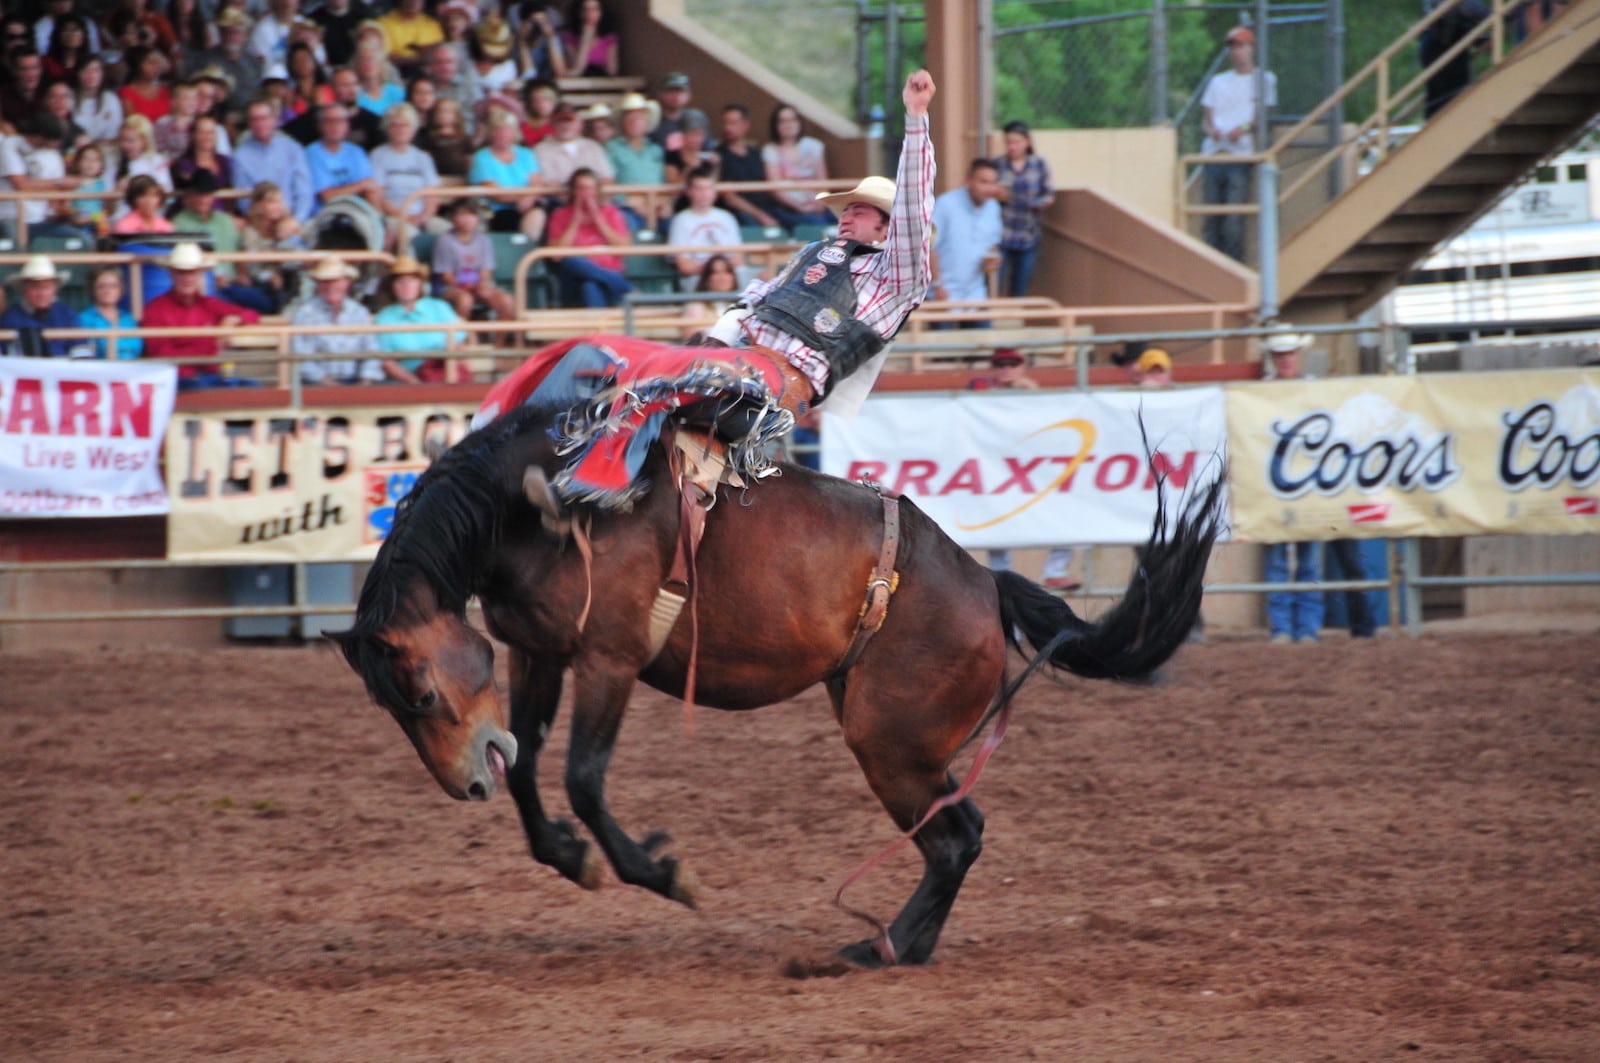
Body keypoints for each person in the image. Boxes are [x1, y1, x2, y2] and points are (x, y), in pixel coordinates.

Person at [967, 347, 1078, 590]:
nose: (1007, 369)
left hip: (1029, 466)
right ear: (993, 368)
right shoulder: (981, 388)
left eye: (1013, 364)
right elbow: (969, 405)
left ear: (1022, 367)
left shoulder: (1031, 391)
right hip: (994, 466)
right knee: (996, 520)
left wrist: (1030, 392)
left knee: (1067, 508)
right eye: (1001, 364)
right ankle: (1003, 577)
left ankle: (1056, 570)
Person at [1261, 329, 1324, 643]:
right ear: (1273, 358)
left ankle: (1303, 627)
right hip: (1278, 481)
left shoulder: (1313, 389)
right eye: (1280, 355)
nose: (1285, 360)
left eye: (1290, 354)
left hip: (1306, 482)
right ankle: (1287, 627)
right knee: (1280, 559)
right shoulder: (1260, 393)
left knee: (1306, 559)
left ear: (1298, 355)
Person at [1199, 26, 1276, 263]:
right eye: (1233, 47)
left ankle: (1233, 266)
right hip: (1214, 155)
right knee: (1211, 217)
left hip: (1240, 155)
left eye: (1242, 46)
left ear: (1251, 49)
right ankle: (1210, 266)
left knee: (1233, 218)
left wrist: (1241, 129)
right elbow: (1207, 118)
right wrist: (1213, 131)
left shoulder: (1264, 79)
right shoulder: (1218, 82)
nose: (1237, 52)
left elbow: (1264, 116)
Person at [141, 242, 262, 388]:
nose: (187, 278)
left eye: (192, 272)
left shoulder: (209, 304)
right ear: (171, 274)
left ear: (199, 275)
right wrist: (212, 344)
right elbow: (161, 354)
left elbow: (252, 315)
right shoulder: (155, 309)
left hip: (209, 376)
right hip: (177, 380)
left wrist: (233, 320)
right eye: (182, 272)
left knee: (253, 386)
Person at [546, 167, 634, 308]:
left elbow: (625, 249)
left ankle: (598, 329)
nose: (586, 194)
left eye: (590, 189)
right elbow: (556, 256)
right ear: (574, 191)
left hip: (607, 277)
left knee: (590, 286)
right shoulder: (560, 214)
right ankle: (626, 288)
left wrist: (599, 220)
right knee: (573, 260)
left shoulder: (611, 213)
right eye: (582, 189)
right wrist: (574, 222)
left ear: (597, 191)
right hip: (573, 281)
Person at [292, 255, 384, 385]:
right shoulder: (305, 314)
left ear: (347, 283)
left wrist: (365, 381)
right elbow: (302, 359)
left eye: (336, 281)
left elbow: (372, 351)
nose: (330, 286)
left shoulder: (359, 312)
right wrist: (328, 383)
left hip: (356, 381)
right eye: (325, 281)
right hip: (316, 384)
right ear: (318, 284)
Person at [374, 255, 467, 383]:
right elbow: (387, 362)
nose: (406, 285)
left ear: (419, 284)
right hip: (408, 382)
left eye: (412, 280)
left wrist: (449, 375)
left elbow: (459, 344)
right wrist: (415, 384)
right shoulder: (384, 317)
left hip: (447, 375)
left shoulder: (439, 307)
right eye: (400, 281)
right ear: (392, 286)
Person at [931, 157, 1002, 315]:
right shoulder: (946, 204)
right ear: (969, 181)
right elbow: (929, 247)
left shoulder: (993, 207)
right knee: (945, 339)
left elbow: (993, 244)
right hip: (944, 291)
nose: (989, 188)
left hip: (976, 293)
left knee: (983, 338)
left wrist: (994, 259)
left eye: (993, 183)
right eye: (983, 182)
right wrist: (937, 285)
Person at [992, 119, 1054, 298]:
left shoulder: (1039, 164)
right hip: (1002, 234)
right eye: (1009, 142)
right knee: (995, 282)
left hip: (1028, 233)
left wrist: (1036, 202)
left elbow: (1049, 194)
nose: (1012, 147)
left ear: (1027, 142)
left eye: (1016, 142)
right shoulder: (998, 164)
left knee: (1020, 285)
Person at [233, 97, 316, 221]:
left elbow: (304, 192)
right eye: (255, 119)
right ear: (249, 124)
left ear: (274, 120)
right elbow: (244, 202)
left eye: (264, 118)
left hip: (294, 220)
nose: (260, 124)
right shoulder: (240, 155)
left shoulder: (292, 148)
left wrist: (296, 221)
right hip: (260, 223)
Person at [432, 197, 516, 320]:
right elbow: (446, 276)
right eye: (462, 215)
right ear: (453, 218)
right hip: (452, 287)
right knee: (465, 300)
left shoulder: (484, 240)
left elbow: (486, 271)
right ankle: (461, 338)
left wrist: (481, 285)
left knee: (506, 300)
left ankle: (500, 339)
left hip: (479, 285)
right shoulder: (444, 241)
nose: (467, 220)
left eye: (471, 215)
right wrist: (465, 287)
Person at [0, 113, 80, 242]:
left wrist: (63, 210)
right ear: (39, 137)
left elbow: (55, 199)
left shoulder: (53, 155)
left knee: (81, 239)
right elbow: (21, 185)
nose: (58, 144)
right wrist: (60, 183)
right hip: (12, 217)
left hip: (42, 219)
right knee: (16, 247)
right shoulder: (10, 146)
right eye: (55, 140)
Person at [370, 102, 442, 241]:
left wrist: (424, 216)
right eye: (395, 125)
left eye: (405, 125)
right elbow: (378, 196)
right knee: (409, 235)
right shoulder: (377, 156)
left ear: (413, 129)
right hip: (393, 217)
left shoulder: (423, 157)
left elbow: (432, 194)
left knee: (447, 233)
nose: (400, 130)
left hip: (422, 216)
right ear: (387, 129)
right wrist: (404, 217)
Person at [469, 108, 546, 238]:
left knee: (538, 214)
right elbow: (495, 193)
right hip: (492, 210)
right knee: (507, 219)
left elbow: (536, 183)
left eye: (507, 130)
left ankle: (530, 253)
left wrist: (529, 198)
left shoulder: (526, 154)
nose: (503, 134)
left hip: (525, 206)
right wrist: (523, 198)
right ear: (490, 132)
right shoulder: (482, 157)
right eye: (498, 130)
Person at [667, 167, 744, 285]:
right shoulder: (681, 220)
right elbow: (684, 265)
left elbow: (738, 258)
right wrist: (713, 270)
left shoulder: (726, 217)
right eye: (699, 188)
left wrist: (722, 272)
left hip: (730, 278)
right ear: (689, 191)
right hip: (698, 279)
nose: (704, 193)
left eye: (708, 188)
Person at [762, 103, 833, 232]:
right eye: (783, 121)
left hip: (818, 204)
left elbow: (823, 181)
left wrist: (820, 203)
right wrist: (801, 207)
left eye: (793, 120)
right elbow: (775, 190)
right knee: (818, 225)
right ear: (776, 125)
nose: (788, 125)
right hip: (789, 208)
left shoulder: (814, 146)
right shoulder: (770, 150)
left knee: (839, 220)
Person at [1420, 0, 1492, 117]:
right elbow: (1469, 10)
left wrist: (1480, 39)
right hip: (1440, 48)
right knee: (1443, 100)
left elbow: (1465, 18)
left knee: (1453, 98)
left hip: (1450, 47)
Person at [605, 92, 665, 229]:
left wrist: (663, 204)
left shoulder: (656, 150)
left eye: (639, 117)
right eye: (629, 117)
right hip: (626, 206)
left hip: (656, 204)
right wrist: (633, 204)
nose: (634, 121)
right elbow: (609, 182)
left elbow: (663, 180)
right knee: (625, 222)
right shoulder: (612, 148)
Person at [714, 103, 780, 229]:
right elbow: (729, 197)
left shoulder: (757, 154)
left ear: (746, 125)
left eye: (733, 123)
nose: (728, 127)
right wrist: (760, 215)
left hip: (767, 208)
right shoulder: (717, 156)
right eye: (725, 122)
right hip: (740, 214)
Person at [0, 256, 81, 357]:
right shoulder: (10, 319)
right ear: (24, 290)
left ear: (54, 290)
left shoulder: (66, 314)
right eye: (35, 287)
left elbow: (81, 351)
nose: (41, 294)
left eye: (46, 287)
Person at [304, 102, 380, 207]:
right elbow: (326, 196)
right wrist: (361, 186)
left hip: (356, 213)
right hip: (324, 215)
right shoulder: (311, 153)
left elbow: (371, 187)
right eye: (330, 121)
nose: (336, 126)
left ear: (347, 125)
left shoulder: (356, 152)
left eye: (341, 121)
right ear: (320, 125)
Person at [534, 100, 612, 190]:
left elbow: (607, 179)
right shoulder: (541, 150)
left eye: (570, 121)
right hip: (557, 201)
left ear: (580, 124)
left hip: (594, 199)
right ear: (553, 124)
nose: (566, 125)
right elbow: (547, 183)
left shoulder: (593, 147)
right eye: (561, 121)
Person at [79, 266, 143, 360]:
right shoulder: (84, 319)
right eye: (102, 286)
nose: (108, 291)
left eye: (113, 286)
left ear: (121, 290)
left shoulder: (129, 319)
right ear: (92, 290)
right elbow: (84, 355)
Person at [73, 56, 125, 147]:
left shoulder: (111, 99)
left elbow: (116, 133)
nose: (91, 75)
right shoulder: (70, 98)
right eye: (86, 70)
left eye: (96, 70)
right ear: (78, 74)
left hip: (107, 149)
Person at [560, 0, 619, 76]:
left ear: (602, 13)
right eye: (585, 9)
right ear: (579, 13)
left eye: (595, 9)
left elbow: (612, 71)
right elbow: (576, 70)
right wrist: (585, 40)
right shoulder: (570, 37)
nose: (590, 14)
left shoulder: (609, 38)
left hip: (601, 81)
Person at [111, 173, 176, 234]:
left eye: (154, 195)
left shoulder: (166, 226)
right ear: (133, 199)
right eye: (143, 196)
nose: (149, 201)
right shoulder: (124, 227)